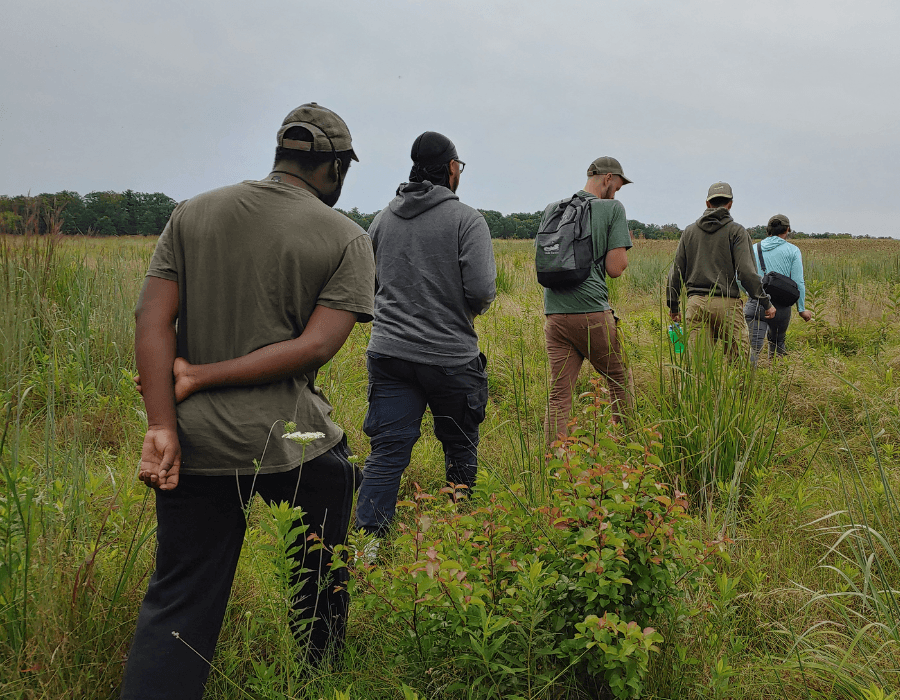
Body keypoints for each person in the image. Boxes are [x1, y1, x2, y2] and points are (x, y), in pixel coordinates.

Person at [121, 103, 376, 699]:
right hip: (288, 440)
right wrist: (206, 376)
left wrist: (163, 423)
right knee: (331, 499)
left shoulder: (192, 214)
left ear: (282, 154)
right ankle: (320, 669)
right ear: (334, 167)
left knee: (180, 595)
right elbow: (315, 348)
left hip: (194, 443)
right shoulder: (346, 238)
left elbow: (150, 319)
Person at [354, 131, 496, 538]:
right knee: (460, 448)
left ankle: (368, 548)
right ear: (452, 169)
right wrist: (464, 310)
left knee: (387, 453)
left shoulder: (382, 219)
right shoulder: (467, 220)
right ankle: (458, 537)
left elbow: (371, 282)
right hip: (451, 358)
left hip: (389, 354)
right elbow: (483, 290)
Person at [542, 156, 635, 442]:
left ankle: (555, 466)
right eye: (617, 186)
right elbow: (615, 269)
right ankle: (629, 452)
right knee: (619, 381)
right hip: (592, 313)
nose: (617, 192)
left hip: (554, 315)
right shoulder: (612, 209)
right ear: (608, 178)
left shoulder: (552, 209)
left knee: (559, 395)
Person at [667, 181, 774, 358]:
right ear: (730, 204)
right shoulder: (737, 232)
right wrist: (765, 302)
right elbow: (747, 273)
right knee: (738, 365)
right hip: (728, 304)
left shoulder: (689, 232)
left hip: (697, 304)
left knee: (697, 367)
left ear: (707, 203)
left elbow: (676, 273)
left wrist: (673, 306)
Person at [744, 213, 812, 363]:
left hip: (756, 303)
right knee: (778, 344)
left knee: (753, 348)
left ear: (768, 230)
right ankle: (776, 377)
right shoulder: (793, 251)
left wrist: (750, 294)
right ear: (787, 229)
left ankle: (749, 382)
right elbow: (798, 282)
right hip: (781, 306)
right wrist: (801, 309)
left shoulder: (753, 249)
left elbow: (739, 277)